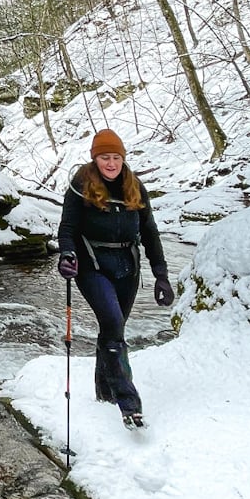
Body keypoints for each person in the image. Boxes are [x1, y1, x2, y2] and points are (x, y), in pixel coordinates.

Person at [55, 129, 171, 427]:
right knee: (113, 323)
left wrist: (161, 275)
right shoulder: (81, 187)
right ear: (95, 159)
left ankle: (104, 393)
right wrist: (67, 255)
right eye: (104, 157)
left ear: (123, 159)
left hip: (127, 268)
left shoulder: (135, 187)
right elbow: (67, 228)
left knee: (112, 330)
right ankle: (128, 402)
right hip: (92, 266)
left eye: (116, 157)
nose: (110, 163)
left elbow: (150, 233)